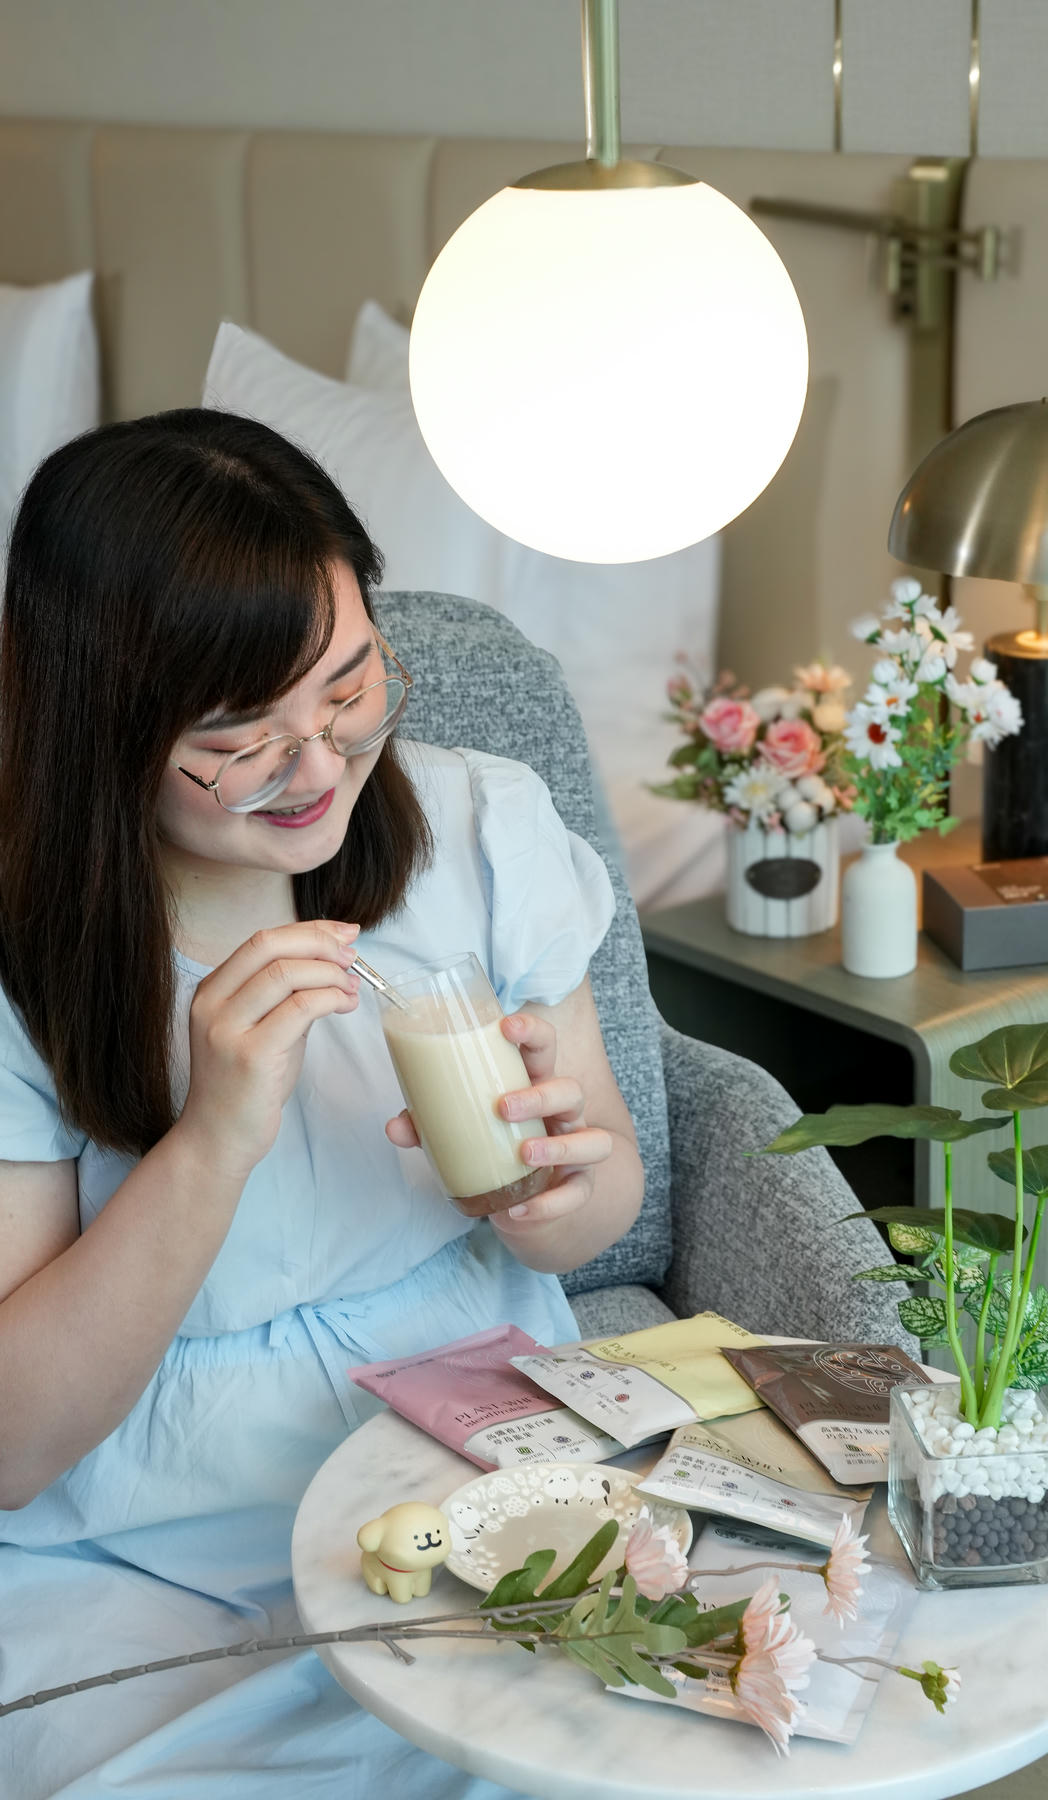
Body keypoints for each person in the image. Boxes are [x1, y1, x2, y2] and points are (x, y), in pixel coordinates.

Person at [0, 410, 645, 1799]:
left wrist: (553, 1191)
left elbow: (590, 1218)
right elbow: (13, 1444)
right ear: (99, 722)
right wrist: (215, 1132)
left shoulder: (477, 831)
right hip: (151, 1567)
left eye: (348, 688)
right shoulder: (28, 964)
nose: (318, 768)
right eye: (239, 735)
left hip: (479, 1484)